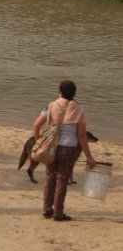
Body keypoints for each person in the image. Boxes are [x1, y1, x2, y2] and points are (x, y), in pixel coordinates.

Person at [33, 80, 98, 221]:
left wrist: (39, 142)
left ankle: (46, 210)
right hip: (69, 149)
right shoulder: (80, 110)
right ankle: (58, 213)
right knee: (62, 180)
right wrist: (89, 156)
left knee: (50, 178)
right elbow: (82, 136)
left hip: (52, 147)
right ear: (74, 93)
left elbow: (36, 125)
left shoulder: (50, 106)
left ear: (60, 92)